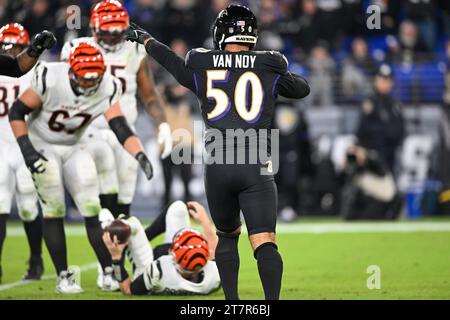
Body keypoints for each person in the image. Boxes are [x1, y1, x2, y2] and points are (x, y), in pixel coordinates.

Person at [126, 4, 310, 300]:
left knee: (227, 237)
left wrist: (147, 39)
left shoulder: (202, 61)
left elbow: (174, 65)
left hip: (219, 163)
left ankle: (232, 304)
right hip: (255, 163)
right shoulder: (269, 63)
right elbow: (302, 90)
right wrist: (281, 76)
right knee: (264, 242)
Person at [8, 42, 153, 293]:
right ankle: (64, 276)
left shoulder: (107, 86)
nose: (89, 84)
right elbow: (17, 112)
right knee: (54, 208)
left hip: (75, 145)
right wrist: (27, 150)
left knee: (91, 206)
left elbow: (119, 126)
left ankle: (108, 272)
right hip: (43, 144)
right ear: (71, 71)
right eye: (84, 79)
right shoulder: (50, 76)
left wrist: (139, 153)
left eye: (93, 79)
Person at [60, 0, 172, 220]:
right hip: (86, 131)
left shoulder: (134, 49)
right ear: (94, 28)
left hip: (125, 130)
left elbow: (148, 93)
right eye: (106, 32)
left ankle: (117, 248)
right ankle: (105, 241)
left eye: (117, 32)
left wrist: (163, 124)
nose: (112, 38)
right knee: (98, 194)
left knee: (125, 195)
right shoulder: (76, 48)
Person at [0, 23, 44, 283]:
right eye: (6, 45)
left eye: (15, 46)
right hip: (1, 146)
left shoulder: (33, 69)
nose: (10, 50)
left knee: (28, 206)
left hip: (26, 143)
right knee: (0, 205)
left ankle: (36, 259)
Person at [102, 200, 221, 296]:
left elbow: (127, 289)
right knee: (178, 208)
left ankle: (122, 236)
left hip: (146, 265)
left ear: (172, 256)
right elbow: (214, 253)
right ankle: (142, 237)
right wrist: (205, 220)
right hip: (177, 266)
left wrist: (116, 257)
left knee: (129, 223)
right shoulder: (213, 278)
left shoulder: (156, 273)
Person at [356, 64, 405, 172]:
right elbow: (362, 130)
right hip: (374, 156)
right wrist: (385, 132)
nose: (386, 84)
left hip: (392, 153)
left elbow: (401, 129)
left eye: (388, 80)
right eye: (383, 80)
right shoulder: (370, 102)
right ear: (376, 81)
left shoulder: (395, 104)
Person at [339, 145, 402, 220]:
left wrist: (364, 158)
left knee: (368, 218)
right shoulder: (355, 168)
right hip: (368, 197)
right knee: (351, 217)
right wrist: (345, 166)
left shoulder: (372, 158)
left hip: (381, 197)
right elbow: (342, 181)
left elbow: (381, 172)